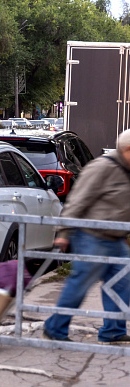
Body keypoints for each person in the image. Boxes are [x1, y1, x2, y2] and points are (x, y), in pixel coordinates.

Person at [43, 129, 130, 344]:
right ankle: (55, 328)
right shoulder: (102, 167)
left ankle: (113, 331)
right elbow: (77, 200)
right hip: (91, 237)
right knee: (80, 284)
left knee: (123, 282)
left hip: (116, 239)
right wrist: (64, 233)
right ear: (126, 149)